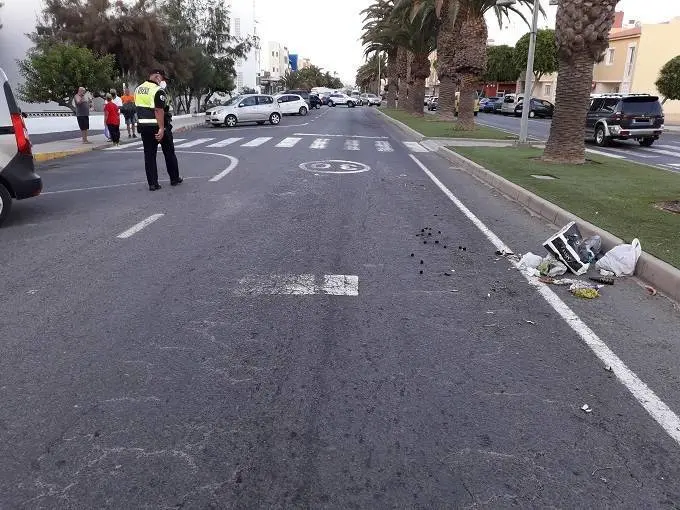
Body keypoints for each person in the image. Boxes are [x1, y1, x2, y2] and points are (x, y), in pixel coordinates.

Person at [134, 69, 182, 191]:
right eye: (162, 78)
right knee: (169, 152)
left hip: (144, 127)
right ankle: (174, 179)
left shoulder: (138, 89)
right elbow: (159, 110)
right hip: (158, 126)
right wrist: (161, 128)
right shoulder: (157, 90)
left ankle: (153, 184)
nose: (163, 81)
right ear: (157, 76)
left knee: (149, 155)